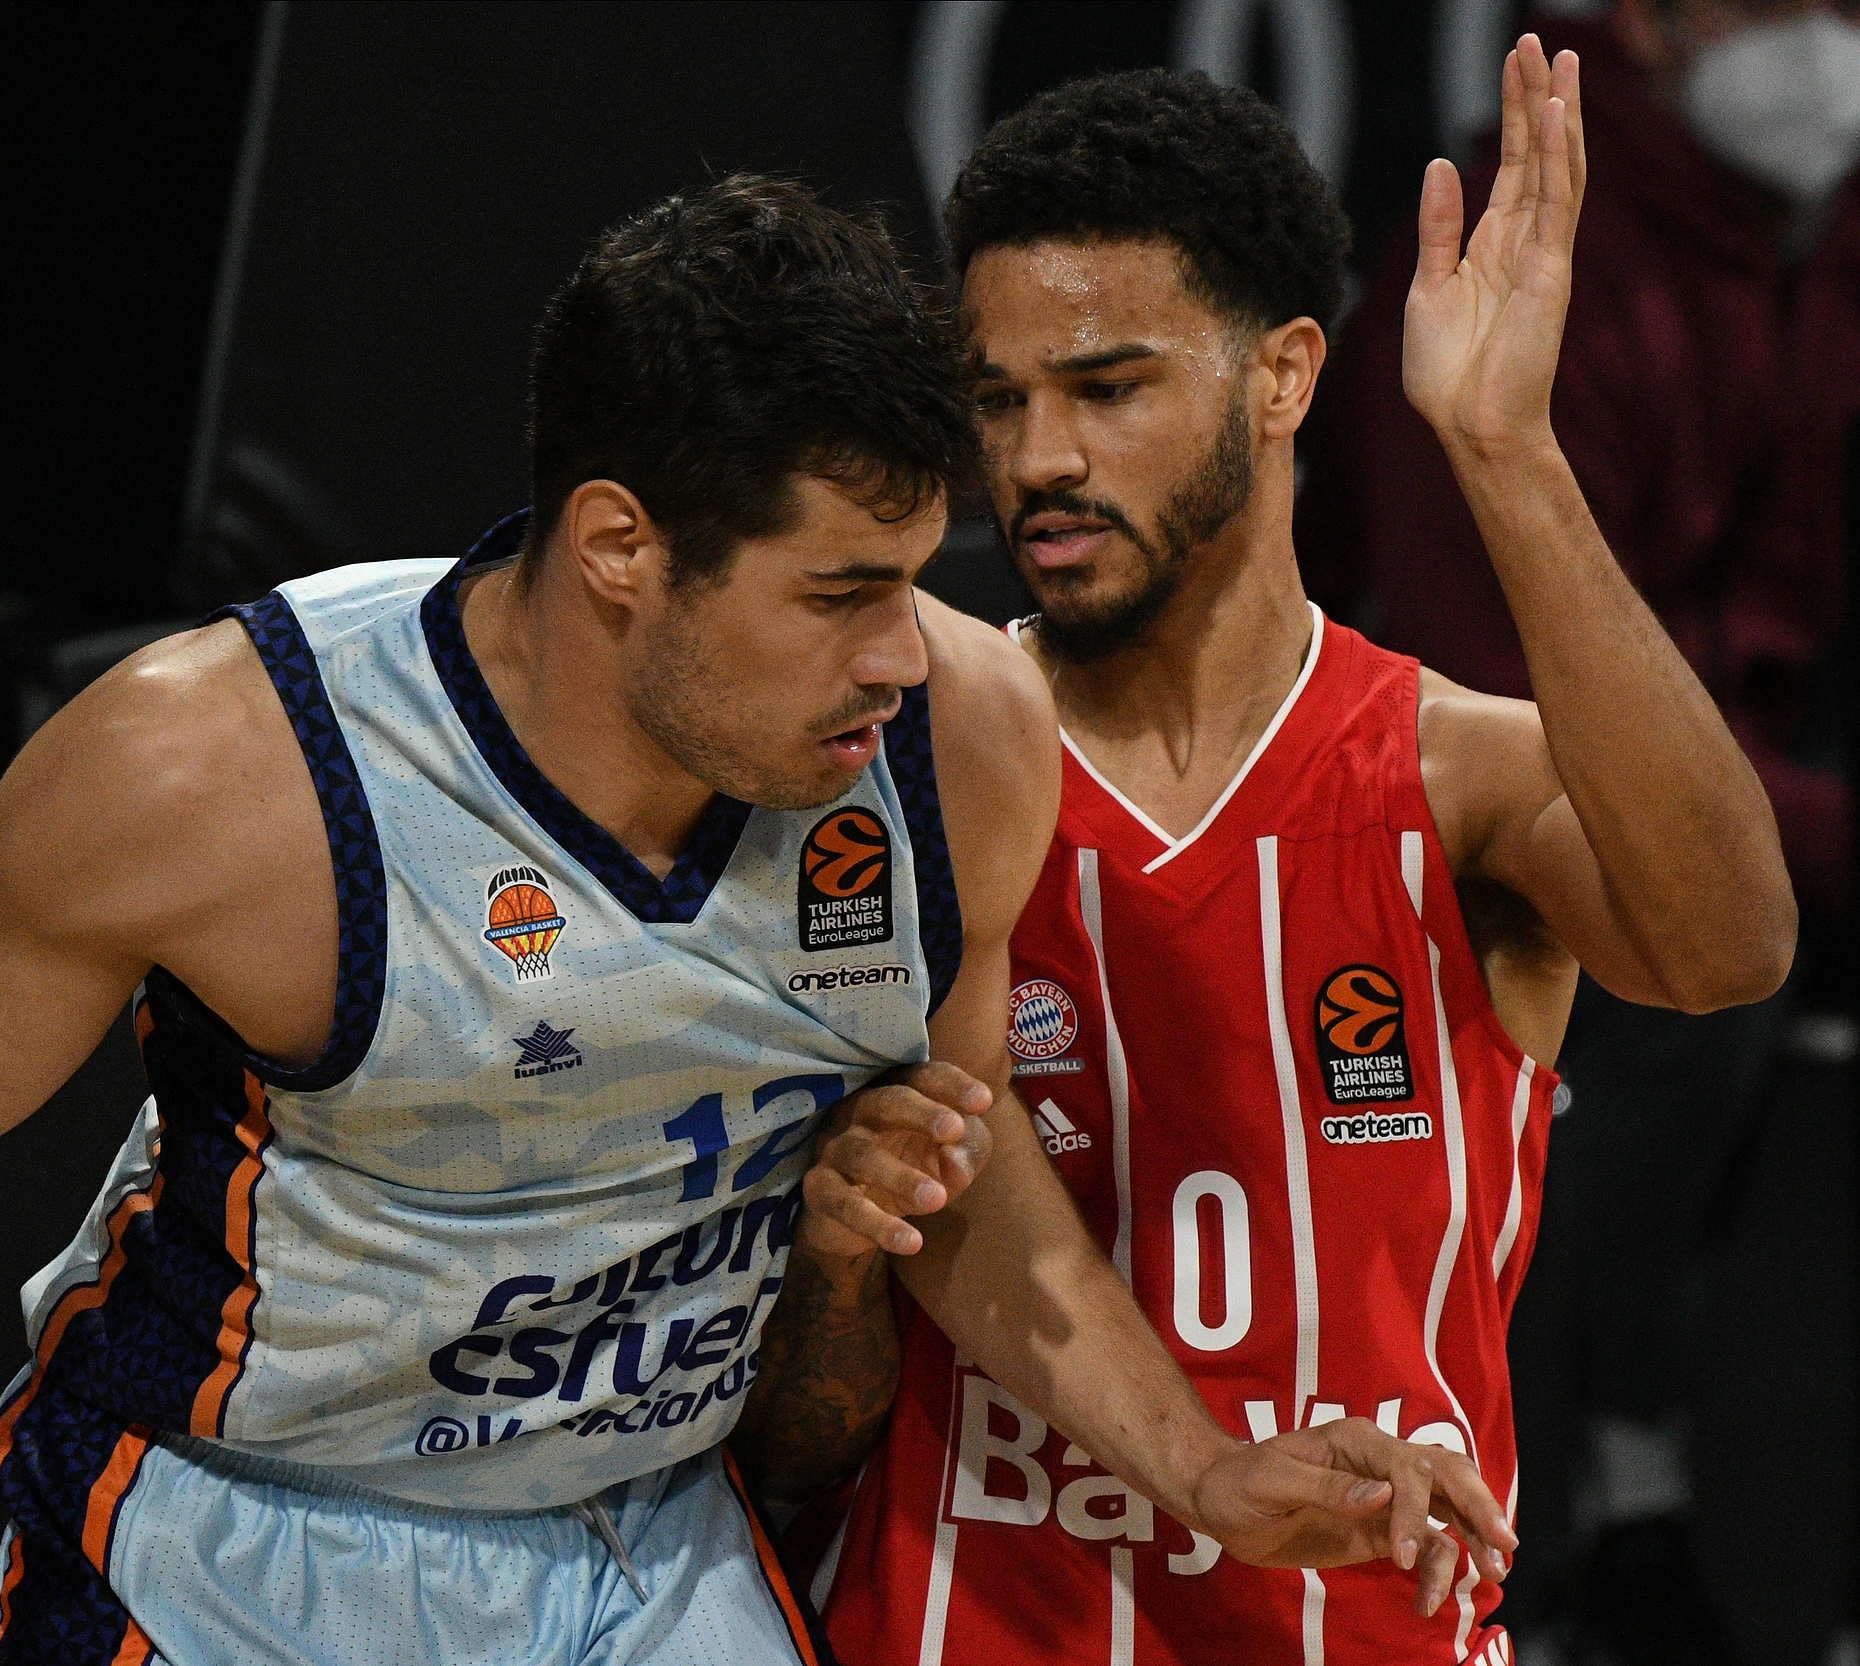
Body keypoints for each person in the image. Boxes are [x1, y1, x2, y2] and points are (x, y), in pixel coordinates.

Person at [0, 178, 1507, 1665]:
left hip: (645, 1544)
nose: (908, 647)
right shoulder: (221, 770)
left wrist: (1201, 1465)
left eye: (915, 575)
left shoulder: (956, 741)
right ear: (620, 545)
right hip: (248, 1545)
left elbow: (952, 1175)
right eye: (838, 592)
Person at [743, 41, 1794, 1666]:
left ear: (1286, 374)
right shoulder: (896, 763)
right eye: (1000, 399)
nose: (1039, 459)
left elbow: (1731, 947)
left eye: (1107, 389)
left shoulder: (1457, 775)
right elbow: (818, 1381)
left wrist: (1507, 452)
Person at [1297, 5, 1858, 1651]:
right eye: (1774, 0)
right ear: (1654, 19)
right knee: (1685, 968)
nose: (1821, 43)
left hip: (1777, 762)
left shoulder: (1820, 238)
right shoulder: (1523, 264)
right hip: (1492, 782)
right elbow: (1497, 684)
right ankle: (1621, 1503)